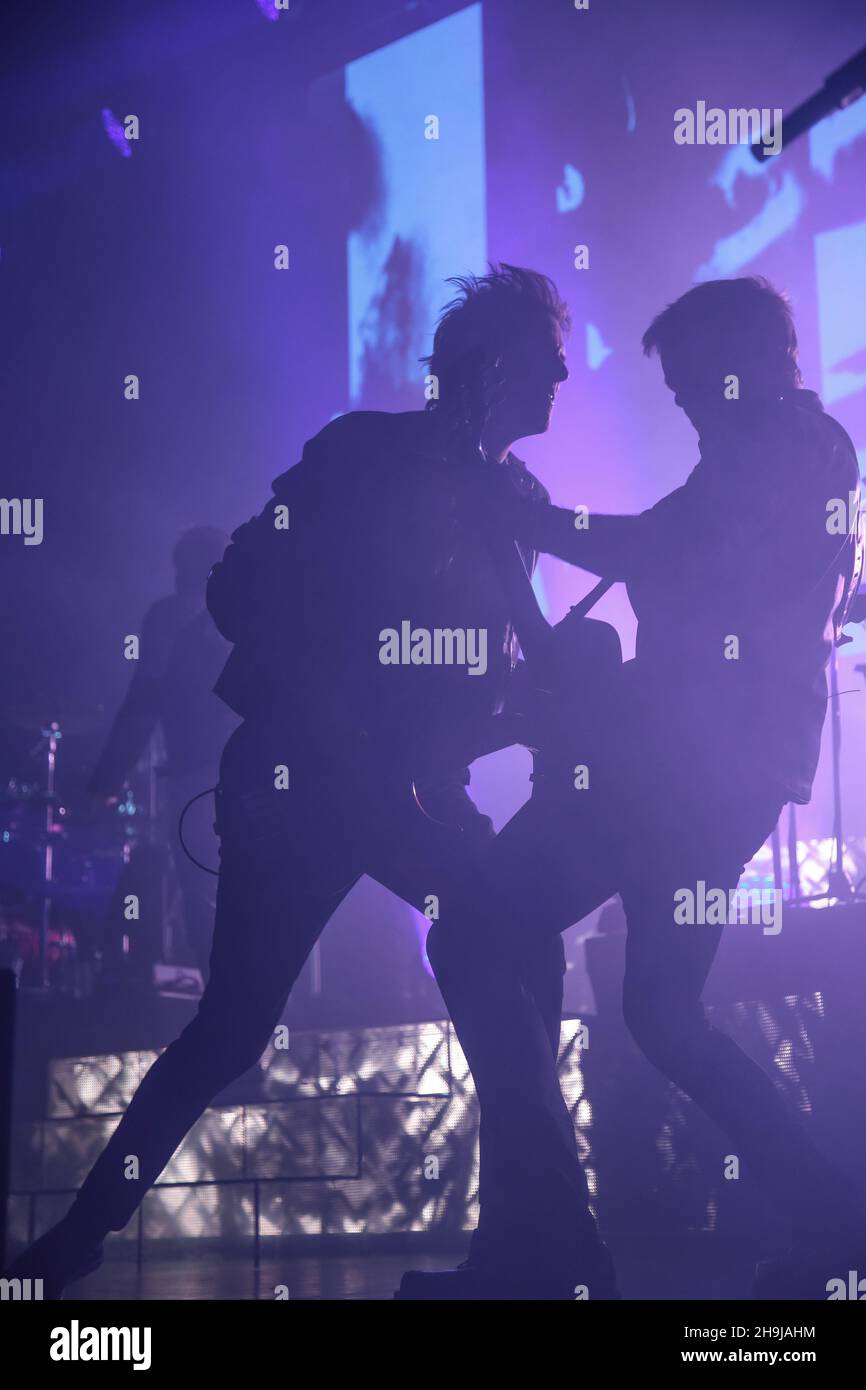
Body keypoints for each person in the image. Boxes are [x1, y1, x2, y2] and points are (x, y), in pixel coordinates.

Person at [4, 265, 591, 1299]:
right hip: (313, 779)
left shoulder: (508, 500)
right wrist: (350, 695)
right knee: (456, 958)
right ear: (493, 365)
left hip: (381, 787)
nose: (563, 377)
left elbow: (487, 677)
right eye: (548, 358)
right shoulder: (364, 455)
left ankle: (520, 1248)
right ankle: (532, 1250)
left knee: (482, 955)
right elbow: (236, 587)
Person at [401, 276, 865, 1300]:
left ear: (742, 361)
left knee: (476, 933)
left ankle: (542, 1247)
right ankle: (830, 1215)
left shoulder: (778, 451)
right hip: (722, 773)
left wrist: (526, 512)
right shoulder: (806, 449)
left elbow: (661, 546)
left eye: (693, 382)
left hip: (669, 767)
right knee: (660, 1009)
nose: (685, 406)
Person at [89, 526, 235, 976]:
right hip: (256, 772)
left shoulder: (168, 617)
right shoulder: (254, 614)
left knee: (202, 895)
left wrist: (107, 780)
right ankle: (272, 1011)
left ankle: (223, 1006)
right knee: (252, 891)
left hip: (195, 777)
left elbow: (143, 701)